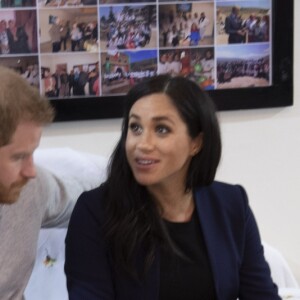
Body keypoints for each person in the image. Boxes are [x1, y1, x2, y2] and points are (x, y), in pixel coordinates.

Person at [65, 75, 281, 299]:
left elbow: (261, 294)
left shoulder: (232, 204)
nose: (143, 144)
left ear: (196, 143)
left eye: (162, 129)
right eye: (135, 127)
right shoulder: (95, 211)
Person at [0, 66, 101, 299]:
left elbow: (100, 201)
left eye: (32, 152)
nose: (31, 171)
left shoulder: (30, 188)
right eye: (18, 157)